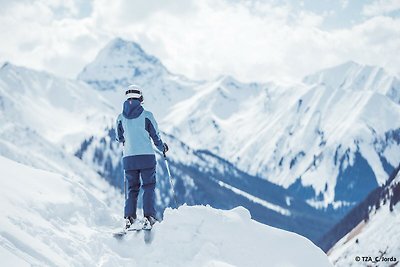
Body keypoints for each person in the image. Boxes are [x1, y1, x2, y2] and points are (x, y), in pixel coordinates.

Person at [115, 84, 168, 230]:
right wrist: (162, 148)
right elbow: (155, 136)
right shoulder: (147, 116)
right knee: (148, 186)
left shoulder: (120, 118)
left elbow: (119, 138)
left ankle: (129, 218)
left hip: (129, 158)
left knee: (132, 188)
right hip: (146, 157)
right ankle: (149, 217)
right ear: (141, 98)